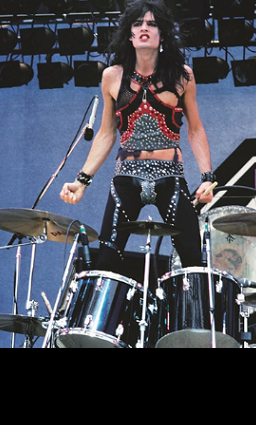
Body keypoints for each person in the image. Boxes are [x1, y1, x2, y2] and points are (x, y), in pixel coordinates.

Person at [60, 0, 215, 272]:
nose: (144, 28)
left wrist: (207, 177)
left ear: (162, 35)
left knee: (192, 257)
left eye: (152, 24)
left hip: (170, 174)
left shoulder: (182, 76)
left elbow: (195, 129)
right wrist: (82, 180)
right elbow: (106, 132)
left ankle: (195, 301)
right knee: (106, 259)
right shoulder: (112, 77)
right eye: (138, 23)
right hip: (127, 175)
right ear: (129, 35)